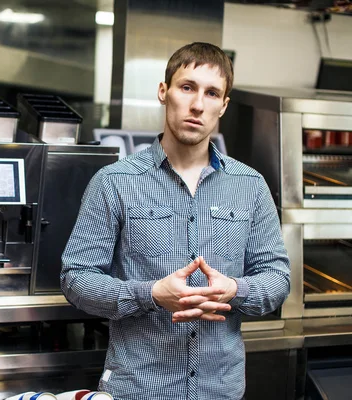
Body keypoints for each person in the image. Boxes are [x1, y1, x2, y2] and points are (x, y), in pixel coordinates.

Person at [60, 42, 291, 400]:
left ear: (223, 106)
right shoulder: (114, 182)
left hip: (221, 390)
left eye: (212, 93)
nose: (198, 104)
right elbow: (76, 279)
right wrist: (149, 294)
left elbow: (277, 280)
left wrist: (235, 290)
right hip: (137, 389)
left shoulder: (251, 186)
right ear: (163, 92)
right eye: (187, 87)